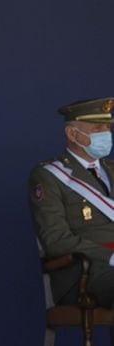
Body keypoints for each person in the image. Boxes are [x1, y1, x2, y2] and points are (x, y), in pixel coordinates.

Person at [29, 97, 114, 308]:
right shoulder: (49, 176)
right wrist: (110, 256)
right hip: (86, 273)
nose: (106, 133)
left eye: (108, 127)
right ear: (72, 133)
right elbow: (56, 240)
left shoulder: (112, 169)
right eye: (97, 128)